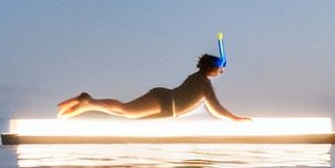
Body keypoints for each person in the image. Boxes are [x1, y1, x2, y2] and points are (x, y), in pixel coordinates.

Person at [58, 52, 252, 121]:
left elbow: (215, 109)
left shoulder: (200, 79)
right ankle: (88, 100)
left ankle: (88, 103)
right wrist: (234, 118)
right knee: (126, 110)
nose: (221, 72)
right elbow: (216, 109)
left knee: (125, 113)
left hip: (167, 104)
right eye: (220, 69)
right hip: (164, 100)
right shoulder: (203, 83)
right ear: (212, 68)